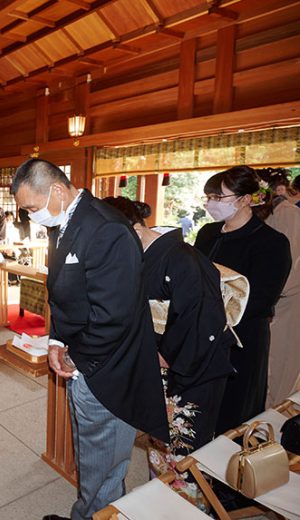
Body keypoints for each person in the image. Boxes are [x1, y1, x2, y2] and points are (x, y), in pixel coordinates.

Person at [12, 159, 168, 520]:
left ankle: (91, 515)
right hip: (83, 354)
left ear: (56, 190)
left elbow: (113, 315)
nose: (32, 217)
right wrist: (56, 339)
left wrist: (76, 357)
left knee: (102, 458)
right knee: (95, 456)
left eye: (32, 208)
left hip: (107, 368)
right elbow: (65, 291)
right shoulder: (65, 221)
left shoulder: (106, 229)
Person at [104, 196, 235, 507]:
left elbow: (203, 319)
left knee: (184, 451)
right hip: (158, 361)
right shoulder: (146, 257)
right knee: (161, 444)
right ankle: (161, 506)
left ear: (131, 230)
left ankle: (186, 510)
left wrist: (167, 356)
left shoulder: (182, 258)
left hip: (190, 367)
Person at [194, 166, 291, 433]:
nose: (211, 203)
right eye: (208, 197)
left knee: (234, 413)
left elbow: (261, 298)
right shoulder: (207, 233)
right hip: (200, 331)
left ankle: (225, 471)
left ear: (245, 199)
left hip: (242, 337)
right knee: (196, 410)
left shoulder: (271, 242)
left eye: (218, 197)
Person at [255, 168, 300, 406]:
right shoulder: (261, 214)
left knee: (280, 364)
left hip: (285, 302)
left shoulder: (290, 214)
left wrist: (269, 292)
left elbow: (293, 264)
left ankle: (269, 428)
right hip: (266, 299)